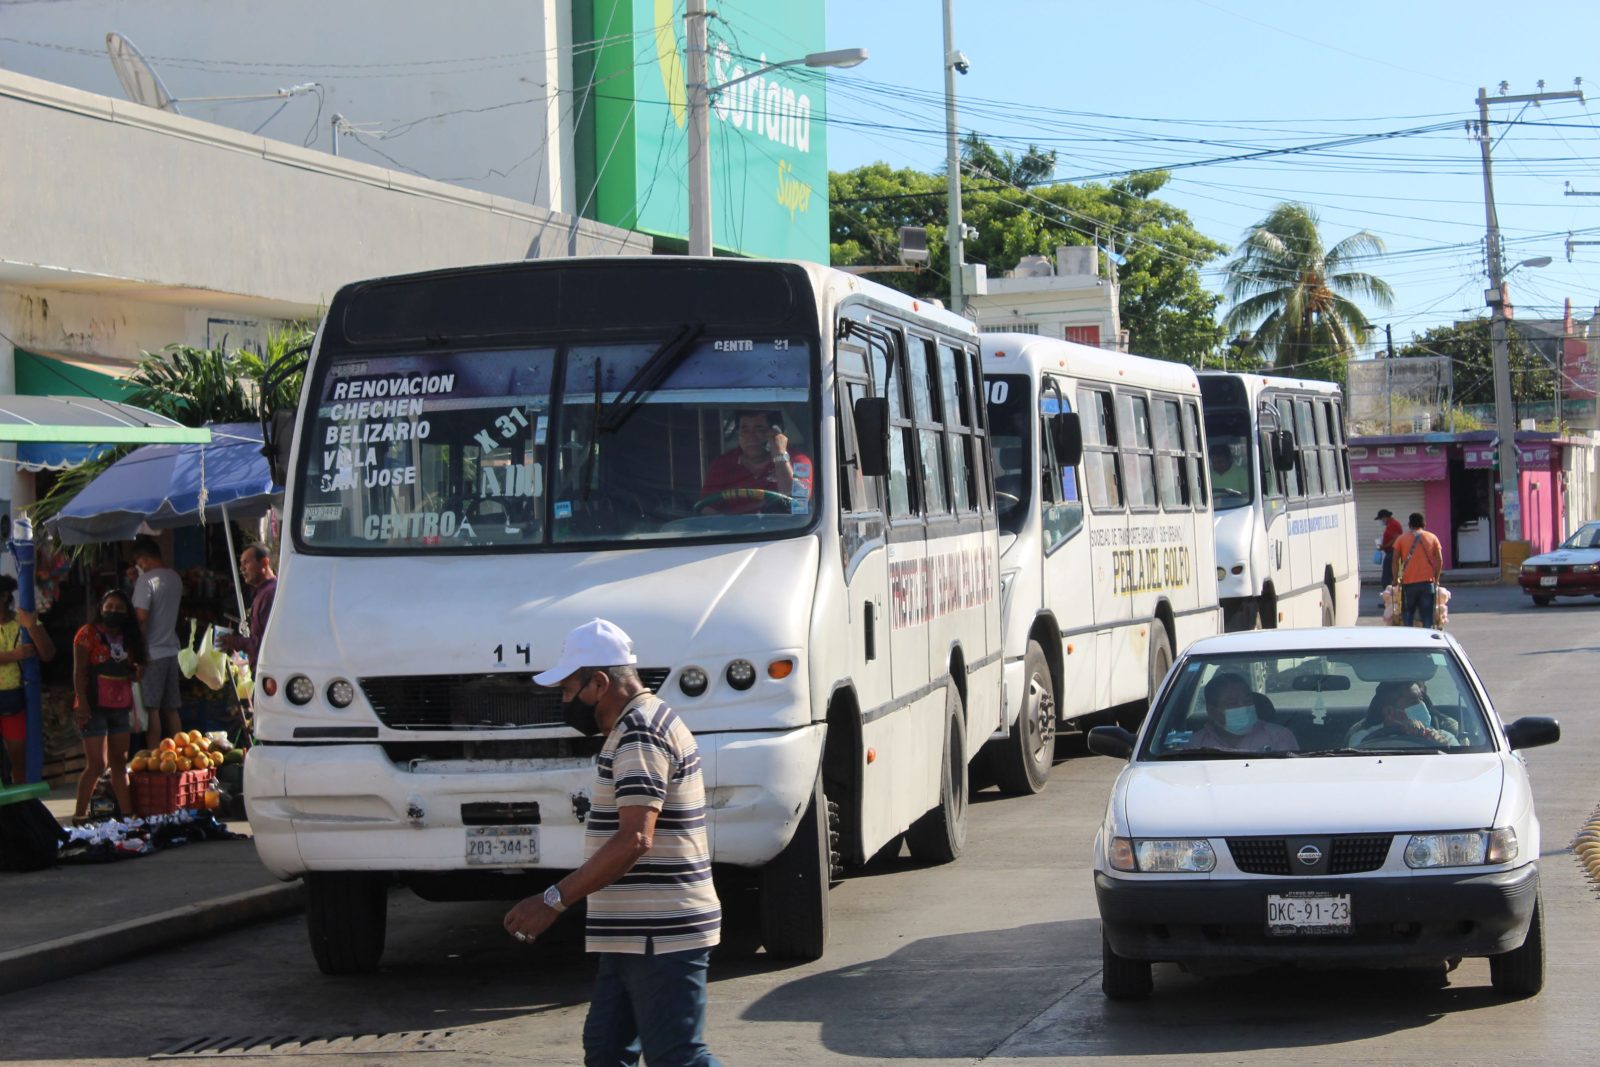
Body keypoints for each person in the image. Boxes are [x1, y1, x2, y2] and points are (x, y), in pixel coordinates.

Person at [503, 619, 723, 1067]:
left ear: (599, 683)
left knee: (677, 1057)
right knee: (606, 1052)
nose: (565, 702)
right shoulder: (636, 726)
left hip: (659, 932)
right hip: (631, 932)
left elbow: (635, 838)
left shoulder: (640, 732)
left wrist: (552, 900)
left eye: (568, 690)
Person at [72, 589, 146, 824]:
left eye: (118, 608)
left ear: (127, 613)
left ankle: (127, 815)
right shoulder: (87, 634)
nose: (112, 611)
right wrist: (82, 703)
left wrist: (136, 671)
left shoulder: (129, 637)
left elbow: (135, 674)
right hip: (93, 706)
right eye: (109, 606)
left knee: (119, 762)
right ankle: (80, 815)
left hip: (120, 705)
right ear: (100, 608)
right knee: (96, 764)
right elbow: (79, 671)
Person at [697, 410, 812, 515]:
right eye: (744, 430)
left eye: (759, 429)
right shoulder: (722, 464)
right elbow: (706, 507)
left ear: (777, 432)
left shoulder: (799, 462)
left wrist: (779, 456)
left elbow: (797, 503)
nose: (751, 437)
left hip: (782, 533)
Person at [0, 574, 55, 785]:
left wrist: (32, 626)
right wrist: (15, 655)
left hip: (13, 698)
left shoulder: (21, 621)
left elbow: (48, 653)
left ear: (5, 596)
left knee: (18, 759)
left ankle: (23, 807)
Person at [130, 536, 183, 747]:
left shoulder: (146, 581)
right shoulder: (174, 578)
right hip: (172, 651)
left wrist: (135, 651)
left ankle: (154, 756)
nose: (138, 566)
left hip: (152, 652)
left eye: (139, 561)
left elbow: (141, 617)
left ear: (144, 558)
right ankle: (180, 753)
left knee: (152, 709)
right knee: (171, 708)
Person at [1184, 672, 1298, 753]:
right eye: (1232, 703)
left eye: (1247, 700)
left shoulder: (1279, 736)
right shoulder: (1195, 745)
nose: (1243, 706)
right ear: (1212, 711)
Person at [219, 544, 277, 676]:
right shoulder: (262, 592)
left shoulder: (270, 594)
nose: (242, 569)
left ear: (264, 562)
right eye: (241, 564)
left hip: (269, 672)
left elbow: (266, 642)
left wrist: (235, 642)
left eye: (246, 562)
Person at [1347, 680, 1458, 747]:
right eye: (1413, 702)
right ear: (1389, 712)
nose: (1422, 705)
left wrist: (1442, 746)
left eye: (1421, 699)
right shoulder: (1362, 738)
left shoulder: (1443, 736)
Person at [1392, 512, 1444, 628]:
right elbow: (1440, 560)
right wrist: (1437, 578)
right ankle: (1427, 639)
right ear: (1424, 524)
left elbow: (1395, 560)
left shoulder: (1401, 539)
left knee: (1408, 614)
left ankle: (1409, 638)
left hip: (1408, 584)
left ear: (1409, 524)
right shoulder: (1432, 537)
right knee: (1426, 615)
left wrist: (1395, 579)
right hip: (1427, 583)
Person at [1375, 509, 1403, 589]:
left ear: (1384, 517)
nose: (1381, 521)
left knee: (1387, 577)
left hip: (1392, 553)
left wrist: (1384, 546)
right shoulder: (1391, 524)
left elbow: (1396, 538)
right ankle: (1390, 597)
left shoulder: (1393, 524)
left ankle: (1389, 597)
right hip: (1391, 552)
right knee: (1389, 575)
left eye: (1381, 519)